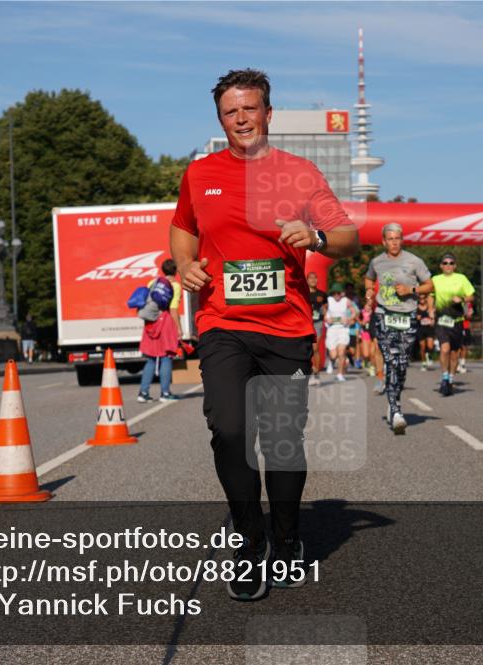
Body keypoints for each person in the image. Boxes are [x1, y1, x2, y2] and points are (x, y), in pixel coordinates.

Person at [170, 69, 358, 600]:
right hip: (222, 324)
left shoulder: (299, 174)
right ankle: (249, 541)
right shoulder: (199, 173)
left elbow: (346, 237)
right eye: (231, 112)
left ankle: (287, 535)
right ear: (220, 119)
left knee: (280, 441)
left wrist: (318, 236)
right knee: (229, 431)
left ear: (268, 114)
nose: (241, 119)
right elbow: (182, 229)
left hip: (286, 327)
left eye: (250, 108)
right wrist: (184, 265)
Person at [364, 223, 433, 434]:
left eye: (398, 238)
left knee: (402, 364)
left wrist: (411, 289)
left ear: (402, 240)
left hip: (408, 315)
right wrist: (369, 294)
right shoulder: (377, 262)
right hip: (385, 314)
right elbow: (368, 278)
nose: (394, 242)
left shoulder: (414, 261)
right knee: (391, 361)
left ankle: (393, 397)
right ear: (384, 241)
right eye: (390, 239)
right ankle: (396, 411)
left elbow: (430, 285)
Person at [430, 253, 475, 396]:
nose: (448, 265)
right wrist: (431, 310)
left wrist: (461, 298)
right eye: (445, 263)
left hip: (457, 321)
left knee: (455, 354)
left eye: (450, 263)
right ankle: (444, 378)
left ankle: (450, 378)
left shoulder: (461, 278)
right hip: (442, 320)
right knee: (444, 349)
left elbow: (471, 296)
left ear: (455, 265)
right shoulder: (435, 279)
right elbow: (431, 296)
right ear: (441, 266)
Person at [137, 259, 181, 403]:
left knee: (150, 358)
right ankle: (165, 393)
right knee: (166, 357)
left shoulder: (153, 283)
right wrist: (178, 329)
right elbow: (173, 310)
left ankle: (143, 393)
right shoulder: (175, 285)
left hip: (151, 322)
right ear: (176, 271)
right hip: (166, 322)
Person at [324, 283, 359, 383]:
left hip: (343, 329)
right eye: (335, 293)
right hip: (332, 330)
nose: (337, 295)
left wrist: (348, 319)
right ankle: (331, 361)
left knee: (342, 352)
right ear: (332, 293)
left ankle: (340, 374)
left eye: (338, 293)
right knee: (334, 355)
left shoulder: (346, 301)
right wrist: (327, 319)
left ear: (341, 293)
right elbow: (324, 312)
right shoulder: (328, 300)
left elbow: (355, 312)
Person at [306, 272, 327, 386]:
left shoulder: (322, 294)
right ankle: (310, 370)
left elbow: (325, 308)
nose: (313, 280)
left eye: (315, 278)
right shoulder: (304, 293)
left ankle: (317, 374)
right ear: (307, 280)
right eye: (311, 278)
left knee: (315, 348)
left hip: (318, 323)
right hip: (306, 323)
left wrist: (325, 314)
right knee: (306, 349)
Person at [414, 293, 435, 370]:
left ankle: (428, 355)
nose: (422, 300)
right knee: (422, 347)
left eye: (423, 298)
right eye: (420, 298)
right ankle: (423, 363)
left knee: (430, 346)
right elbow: (413, 317)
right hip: (420, 329)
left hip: (429, 329)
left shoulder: (430, 307)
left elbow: (434, 317)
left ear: (426, 298)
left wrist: (432, 319)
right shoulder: (416, 308)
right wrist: (417, 317)